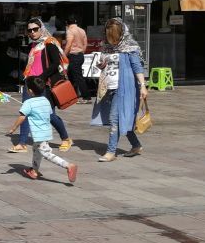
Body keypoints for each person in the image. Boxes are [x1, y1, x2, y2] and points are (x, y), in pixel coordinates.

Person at [9, 17, 73, 153]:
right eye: (30, 30)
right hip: (29, 83)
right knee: (25, 112)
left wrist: (41, 78)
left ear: (41, 28)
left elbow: (55, 64)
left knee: (49, 114)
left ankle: (66, 138)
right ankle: (22, 143)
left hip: (44, 84)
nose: (32, 32)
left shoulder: (49, 43)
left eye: (35, 29)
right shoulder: (33, 45)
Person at [92, 17, 148, 162]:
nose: (112, 41)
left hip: (123, 89)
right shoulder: (106, 47)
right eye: (109, 37)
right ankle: (136, 145)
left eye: (115, 37)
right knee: (122, 118)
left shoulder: (130, 48)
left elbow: (137, 67)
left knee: (114, 119)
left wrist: (143, 86)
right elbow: (105, 65)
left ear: (121, 33)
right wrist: (101, 64)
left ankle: (111, 152)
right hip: (108, 88)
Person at [8, 76, 78, 183]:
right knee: (36, 150)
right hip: (46, 132)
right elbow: (49, 114)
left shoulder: (28, 103)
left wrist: (13, 128)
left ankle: (68, 165)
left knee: (46, 153)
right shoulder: (46, 100)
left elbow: (22, 117)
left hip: (39, 134)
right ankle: (34, 170)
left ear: (30, 91)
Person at [63, 13, 90, 103]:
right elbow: (85, 43)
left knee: (77, 77)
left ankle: (86, 97)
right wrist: (81, 52)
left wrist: (64, 55)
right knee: (72, 76)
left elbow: (69, 44)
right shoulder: (82, 30)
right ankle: (72, 96)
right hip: (80, 55)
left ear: (67, 23)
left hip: (73, 55)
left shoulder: (70, 31)